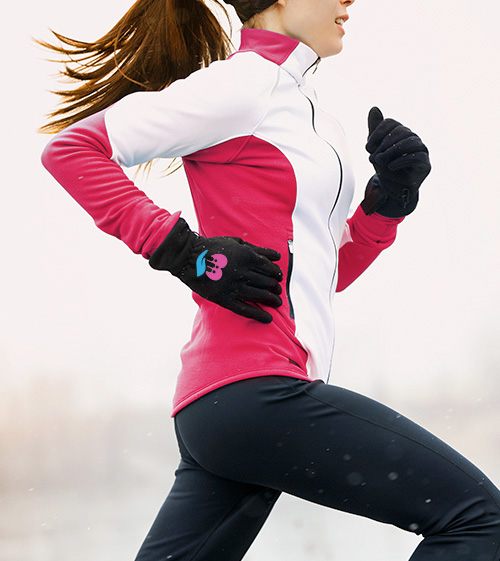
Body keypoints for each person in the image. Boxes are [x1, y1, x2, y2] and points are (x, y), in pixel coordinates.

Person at [40, 0, 500, 559]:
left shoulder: (303, 109)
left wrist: (387, 205)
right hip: (255, 391)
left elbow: (316, 275)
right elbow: (72, 150)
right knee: (479, 519)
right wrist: (184, 252)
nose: (349, 1)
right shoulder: (243, 86)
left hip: (229, 409)